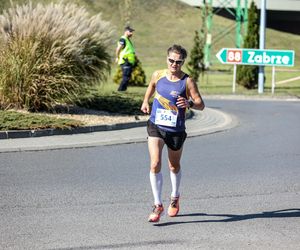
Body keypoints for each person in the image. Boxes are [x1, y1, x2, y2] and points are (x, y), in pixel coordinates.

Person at [140, 44, 205, 223]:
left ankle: (175, 197)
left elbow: (201, 104)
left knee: (173, 166)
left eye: (178, 62)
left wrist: (190, 104)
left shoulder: (187, 81)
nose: (174, 64)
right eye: (171, 60)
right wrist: (146, 101)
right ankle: (157, 204)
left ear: (183, 62)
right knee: (155, 163)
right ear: (167, 59)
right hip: (155, 125)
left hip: (175, 129)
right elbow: (151, 86)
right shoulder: (158, 74)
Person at [115, 26, 136, 91]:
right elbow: (118, 49)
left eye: (132, 32)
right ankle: (120, 90)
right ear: (126, 31)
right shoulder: (123, 39)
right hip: (125, 61)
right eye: (130, 31)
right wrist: (117, 57)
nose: (131, 33)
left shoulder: (127, 39)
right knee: (126, 77)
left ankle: (123, 90)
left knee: (127, 77)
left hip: (129, 61)